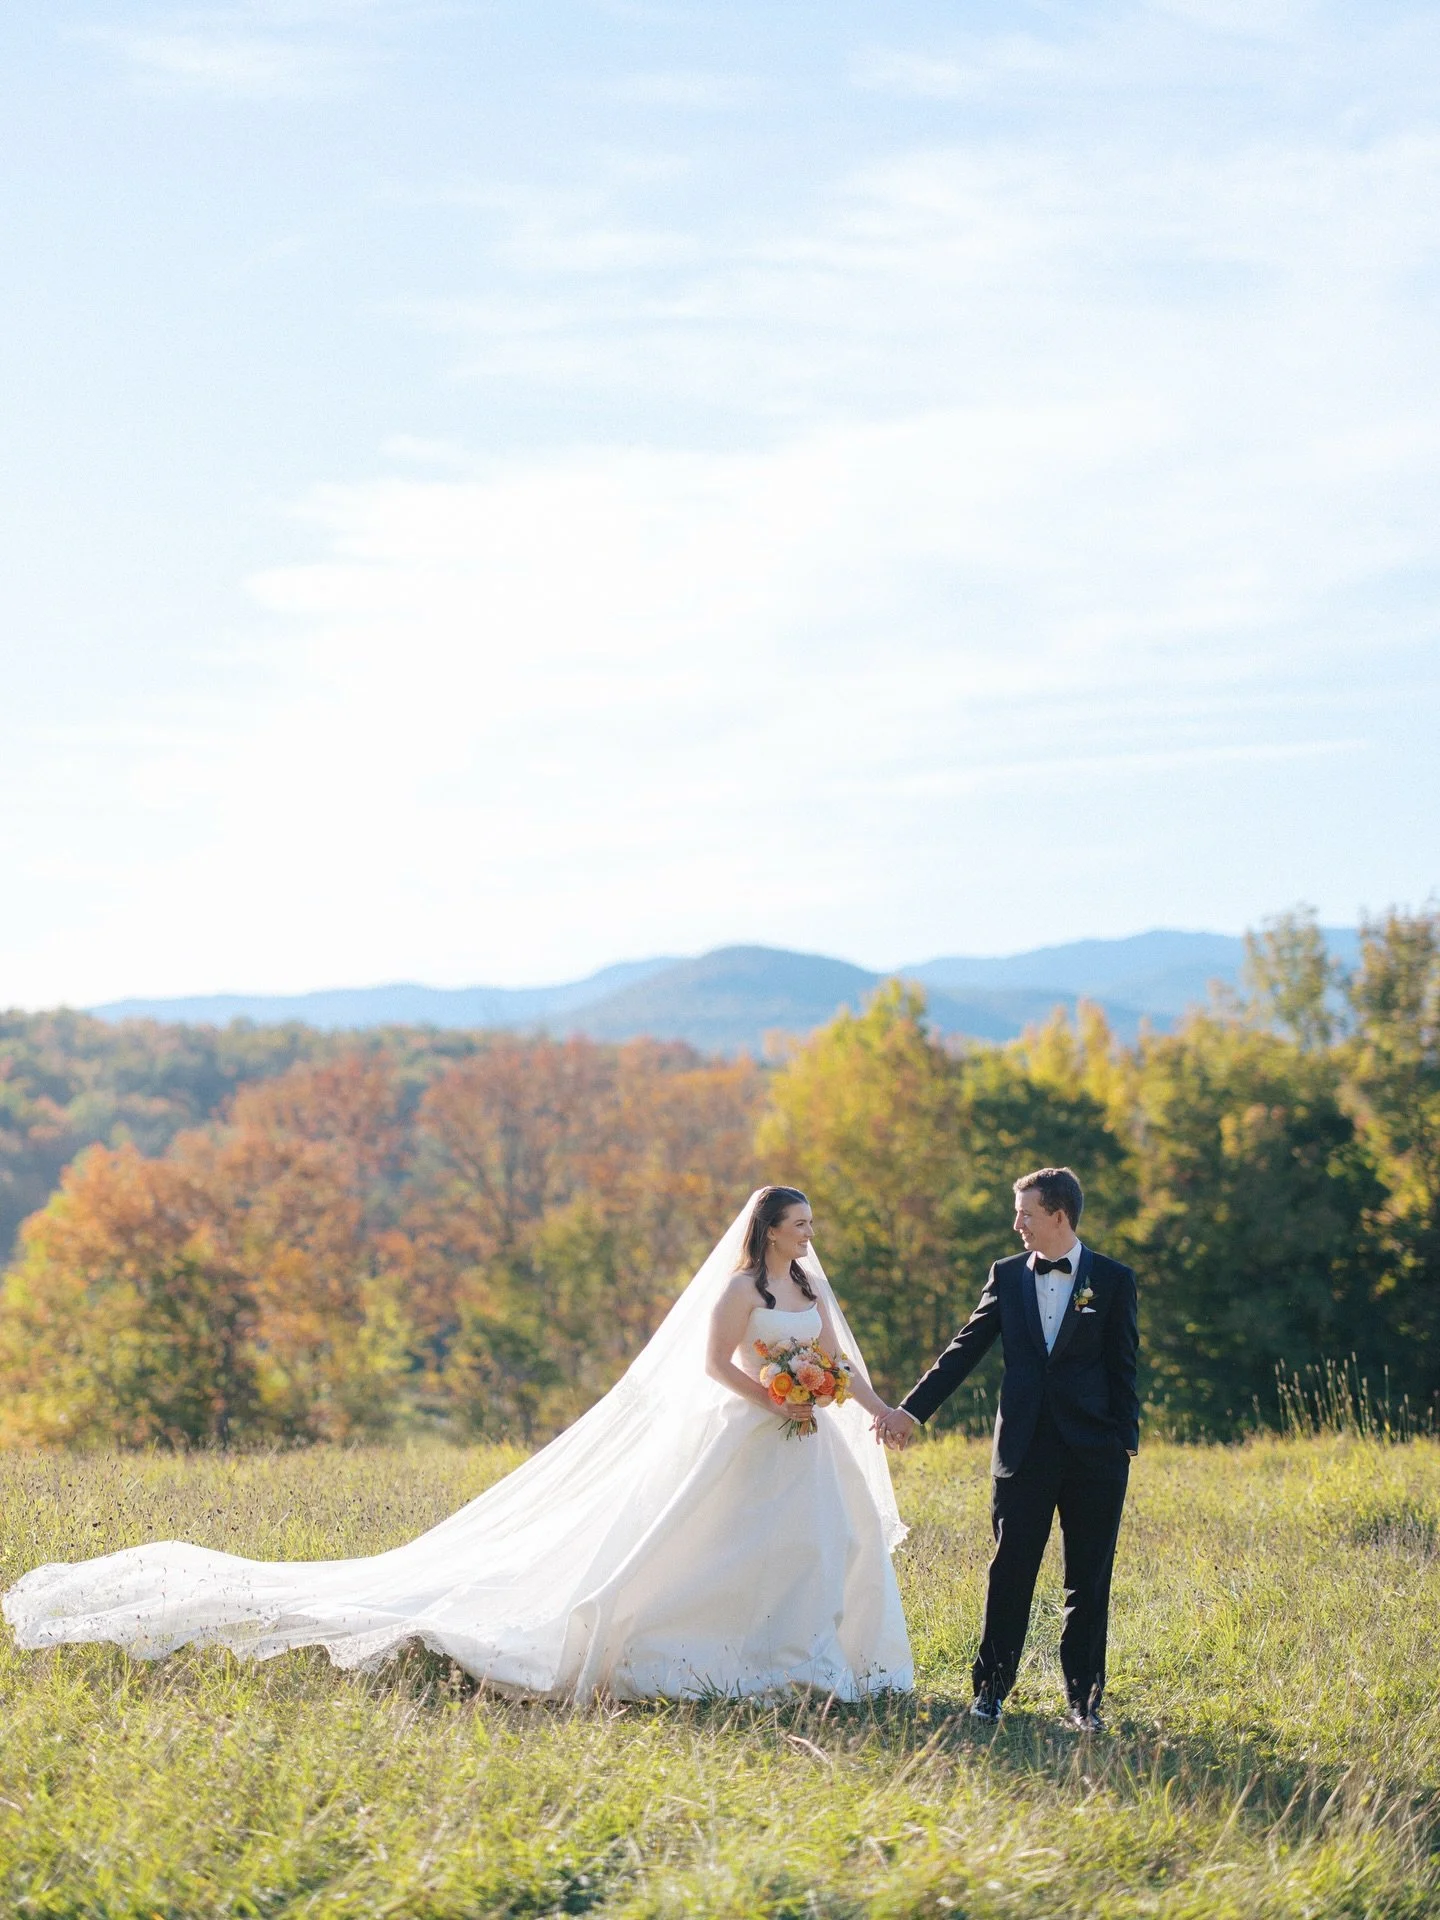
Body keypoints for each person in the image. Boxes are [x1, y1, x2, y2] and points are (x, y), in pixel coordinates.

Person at [5, 1187, 914, 1703]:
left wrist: (875, 1409)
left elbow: (838, 1364)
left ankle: (809, 1663)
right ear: (768, 1229)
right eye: (799, 1224)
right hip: (751, 1430)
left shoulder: (809, 1290)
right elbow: (715, 1365)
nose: (809, 1236)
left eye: (810, 1226)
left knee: (823, 1544)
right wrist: (774, 1397)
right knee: (712, 1549)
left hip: (806, 1440)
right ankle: (725, 1656)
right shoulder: (739, 1291)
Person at [875, 1166, 1138, 1731]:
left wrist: (1124, 1446)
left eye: (1026, 1214)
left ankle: (1084, 1701)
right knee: (1011, 1572)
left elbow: (1124, 1366)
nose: (1017, 1224)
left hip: (1095, 1455)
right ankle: (991, 1692)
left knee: (1089, 1580)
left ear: (1059, 1216)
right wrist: (910, 1412)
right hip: (1022, 1453)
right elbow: (964, 1349)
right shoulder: (1008, 1275)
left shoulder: (1114, 1280)